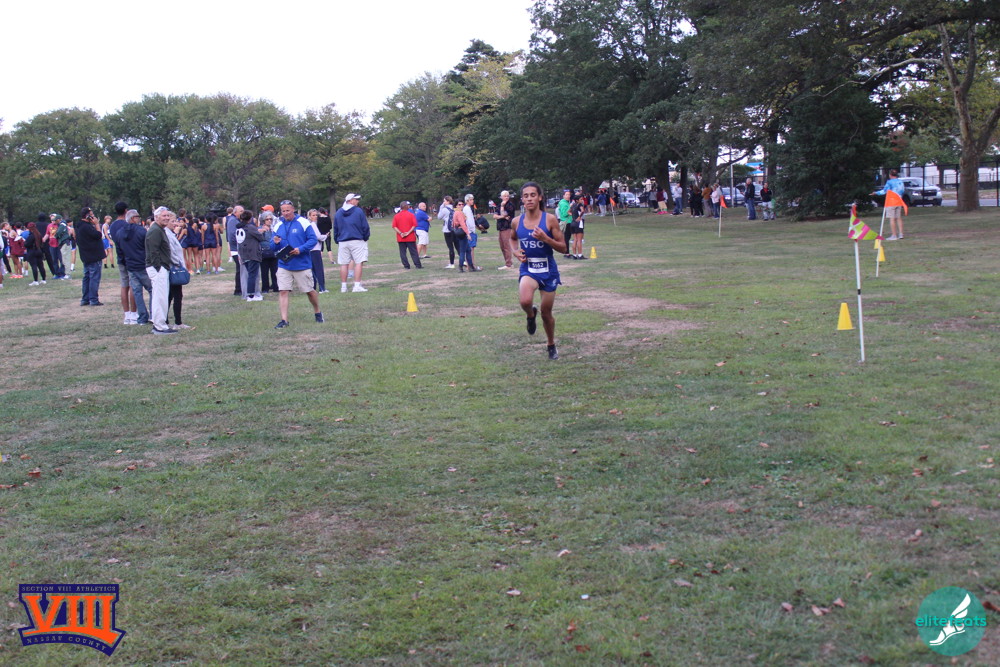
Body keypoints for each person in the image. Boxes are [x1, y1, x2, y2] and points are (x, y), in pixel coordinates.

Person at [509, 182, 567, 360]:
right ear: (522, 199)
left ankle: (551, 344)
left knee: (546, 312)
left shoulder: (549, 220)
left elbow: (564, 248)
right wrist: (515, 251)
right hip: (529, 268)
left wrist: (545, 238)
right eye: (525, 196)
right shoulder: (516, 221)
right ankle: (530, 314)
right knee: (525, 301)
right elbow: (512, 239)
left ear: (540, 198)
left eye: (533, 195)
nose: (529, 199)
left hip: (548, 271)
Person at [272, 199, 324, 328]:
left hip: (301, 264)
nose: (285, 213)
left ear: (293, 210)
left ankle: (317, 311)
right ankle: (284, 320)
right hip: (284, 264)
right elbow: (272, 245)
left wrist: (300, 249)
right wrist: (275, 243)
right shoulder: (278, 225)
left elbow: (312, 240)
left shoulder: (303, 222)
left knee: (309, 291)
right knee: (283, 291)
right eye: (283, 211)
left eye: (288, 210)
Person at [146, 207, 176, 334]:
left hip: (161, 267)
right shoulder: (155, 231)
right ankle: (159, 326)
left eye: (168, 215)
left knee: (161, 297)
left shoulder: (160, 229)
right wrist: (158, 267)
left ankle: (160, 324)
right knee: (160, 298)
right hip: (158, 268)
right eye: (164, 216)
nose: (167, 218)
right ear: (156, 217)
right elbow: (153, 251)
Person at [334, 193, 371, 293]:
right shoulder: (358, 211)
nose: (357, 201)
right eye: (356, 199)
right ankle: (357, 285)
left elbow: (336, 227)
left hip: (343, 241)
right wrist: (365, 237)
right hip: (357, 239)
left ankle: (343, 287)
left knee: (343, 264)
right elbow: (365, 226)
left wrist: (337, 239)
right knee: (359, 262)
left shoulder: (339, 212)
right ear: (350, 200)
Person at [164, 213, 191, 329]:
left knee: (170, 295)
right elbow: (171, 252)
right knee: (176, 295)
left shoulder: (170, 233)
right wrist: (179, 265)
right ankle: (178, 322)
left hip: (172, 267)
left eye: (176, 221)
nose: (175, 223)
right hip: (173, 268)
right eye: (173, 221)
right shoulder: (167, 234)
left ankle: (166, 320)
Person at [76, 207, 105, 306]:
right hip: (94, 256)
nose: (94, 217)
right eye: (92, 215)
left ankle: (85, 298)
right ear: (87, 216)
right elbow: (98, 235)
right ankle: (93, 299)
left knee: (87, 277)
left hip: (86, 256)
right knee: (94, 278)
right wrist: (96, 224)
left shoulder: (79, 226)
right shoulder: (87, 227)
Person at [237, 210, 264, 301]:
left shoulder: (239, 228)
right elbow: (260, 238)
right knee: (252, 275)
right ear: (250, 218)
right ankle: (251, 295)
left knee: (250, 274)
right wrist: (261, 232)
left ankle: (250, 294)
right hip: (252, 253)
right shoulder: (250, 227)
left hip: (244, 254)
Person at [875, 169, 906, 240]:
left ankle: (894, 235)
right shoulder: (900, 182)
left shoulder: (889, 182)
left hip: (891, 201)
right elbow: (902, 191)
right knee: (898, 218)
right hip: (899, 201)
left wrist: (876, 193)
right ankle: (901, 234)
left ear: (890, 175)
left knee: (892, 218)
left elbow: (884, 191)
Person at [392, 201, 423, 269]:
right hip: (410, 237)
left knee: (402, 252)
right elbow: (414, 225)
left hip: (401, 237)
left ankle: (406, 266)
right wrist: (408, 232)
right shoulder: (411, 215)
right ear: (407, 207)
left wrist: (401, 233)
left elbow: (394, 226)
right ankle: (417, 265)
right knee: (413, 252)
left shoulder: (396, 216)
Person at [304, 209, 328, 293]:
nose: (315, 217)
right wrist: (325, 236)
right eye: (313, 215)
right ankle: (322, 288)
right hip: (315, 249)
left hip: (309, 250)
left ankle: (313, 287)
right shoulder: (313, 225)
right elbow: (318, 236)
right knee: (318, 269)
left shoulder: (307, 225)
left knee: (313, 270)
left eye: (316, 215)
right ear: (309, 216)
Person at [493, 190, 516, 269]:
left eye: (507, 196)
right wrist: (502, 217)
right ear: (501, 197)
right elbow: (495, 216)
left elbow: (504, 214)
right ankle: (507, 262)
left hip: (507, 227)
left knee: (506, 246)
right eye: (504, 196)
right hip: (500, 227)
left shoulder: (510, 205)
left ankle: (509, 264)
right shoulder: (498, 205)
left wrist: (502, 207)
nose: (506, 197)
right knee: (502, 246)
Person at [226, 205, 245, 296]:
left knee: (241, 269)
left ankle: (240, 288)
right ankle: (238, 289)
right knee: (240, 269)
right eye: (241, 211)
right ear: (235, 212)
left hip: (238, 249)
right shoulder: (233, 221)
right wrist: (241, 242)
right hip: (236, 249)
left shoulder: (236, 220)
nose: (242, 213)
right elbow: (233, 235)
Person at [258, 212, 278, 293]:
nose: (269, 221)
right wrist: (261, 231)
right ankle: (265, 288)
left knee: (275, 271)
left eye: (271, 219)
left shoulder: (274, 229)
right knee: (264, 272)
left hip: (274, 253)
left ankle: (276, 287)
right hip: (264, 253)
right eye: (267, 219)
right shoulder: (260, 229)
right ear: (263, 220)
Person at [24, 221, 48, 285]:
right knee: (41, 266)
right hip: (39, 251)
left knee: (34, 266)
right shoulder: (39, 234)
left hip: (32, 251)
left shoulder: (31, 236)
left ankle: (36, 281)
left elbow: (26, 244)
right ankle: (43, 279)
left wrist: (24, 242)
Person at [439, 196, 457, 269]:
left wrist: (441, 207)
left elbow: (439, 217)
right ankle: (464, 261)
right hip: (455, 229)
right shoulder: (454, 208)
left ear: (448, 201)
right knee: (458, 246)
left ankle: (452, 264)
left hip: (447, 230)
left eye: (444, 201)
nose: (443, 202)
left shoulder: (444, 209)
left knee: (450, 247)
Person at [568, 194, 586, 259]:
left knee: (575, 239)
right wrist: (579, 217)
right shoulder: (580, 205)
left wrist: (573, 215)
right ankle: (580, 255)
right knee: (579, 240)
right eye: (581, 199)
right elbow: (583, 211)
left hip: (572, 223)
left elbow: (568, 212)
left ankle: (574, 255)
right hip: (578, 223)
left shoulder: (573, 205)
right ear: (577, 200)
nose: (582, 200)